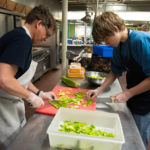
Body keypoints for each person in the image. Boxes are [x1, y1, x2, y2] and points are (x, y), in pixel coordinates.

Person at [87, 11, 150, 149]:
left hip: (146, 98)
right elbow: (114, 72)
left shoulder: (140, 41)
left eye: (106, 39)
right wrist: (99, 89)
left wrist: (127, 93)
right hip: (134, 91)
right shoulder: (118, 46)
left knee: (138, 137)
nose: (106, 43)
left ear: (115, 29)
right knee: (130, 130)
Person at [0, 5, 57, 150]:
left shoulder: (22, 37)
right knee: (12, 143)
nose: (46, 38)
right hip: (3, 105)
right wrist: (30, 97)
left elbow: (20, 78)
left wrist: (39, 93)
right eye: (47, 34)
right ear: (39, 24)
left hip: (9, 102)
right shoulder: (22, 40)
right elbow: (4, 79)